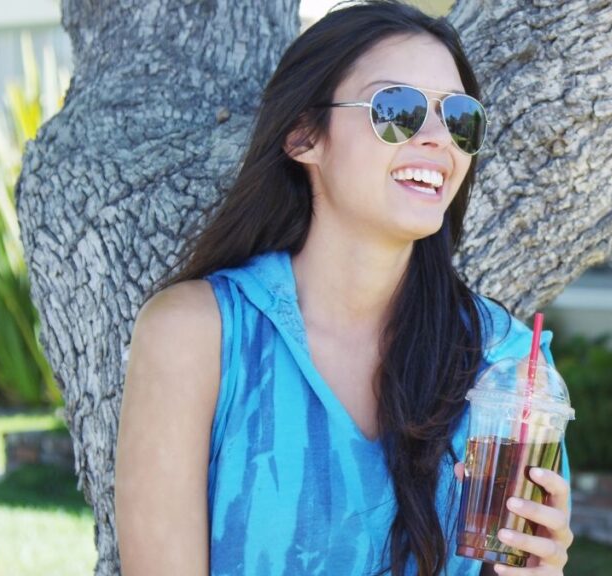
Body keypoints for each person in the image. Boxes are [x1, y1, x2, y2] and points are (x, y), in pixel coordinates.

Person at [114, 2, 573, 575]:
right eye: (398, 109)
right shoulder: (196, 335)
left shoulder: (505, 364)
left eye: (460, 118)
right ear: (304, 135)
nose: (438, 138)